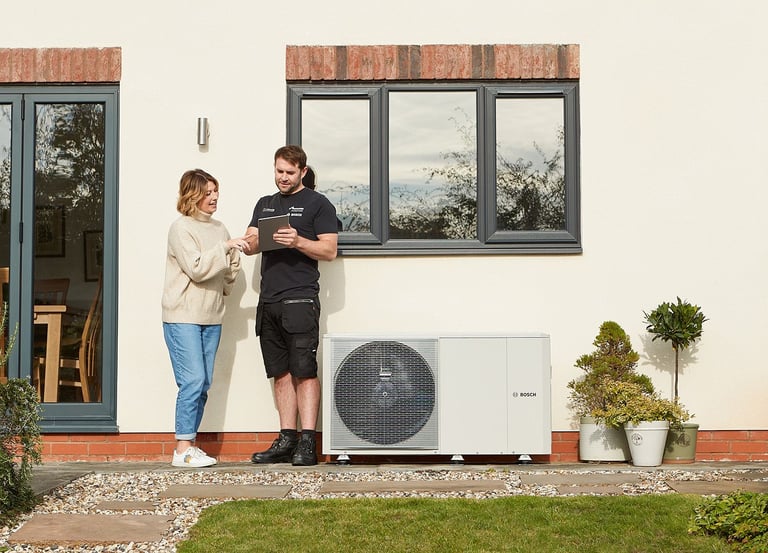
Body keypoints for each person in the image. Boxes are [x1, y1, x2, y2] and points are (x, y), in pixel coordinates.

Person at [244, 145, 338, 466]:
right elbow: (251, 242)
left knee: (304, 371)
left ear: (302, 171)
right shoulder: (265, 204)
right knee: (280, 373)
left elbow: (329, 251)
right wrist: (247, 243)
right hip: (268, 300)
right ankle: (287, 438)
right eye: (278, 171)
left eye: (289, 172)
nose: (283, 178)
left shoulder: (318, 204)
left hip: (300, 299)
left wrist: (297, 241)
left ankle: (308, 442)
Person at [162, 169, 249, 468]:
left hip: (212, 317)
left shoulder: (220, 228)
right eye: (208, 192)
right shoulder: (180, 228)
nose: (214, 197)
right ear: (192, 194)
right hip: (182, 315)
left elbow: (230, 268)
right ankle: (181, 448)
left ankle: (191, 446)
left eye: (216, 191)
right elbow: (197, 268)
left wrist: (226, 280)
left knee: (203, 383)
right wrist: (225, 248)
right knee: (192, 380)